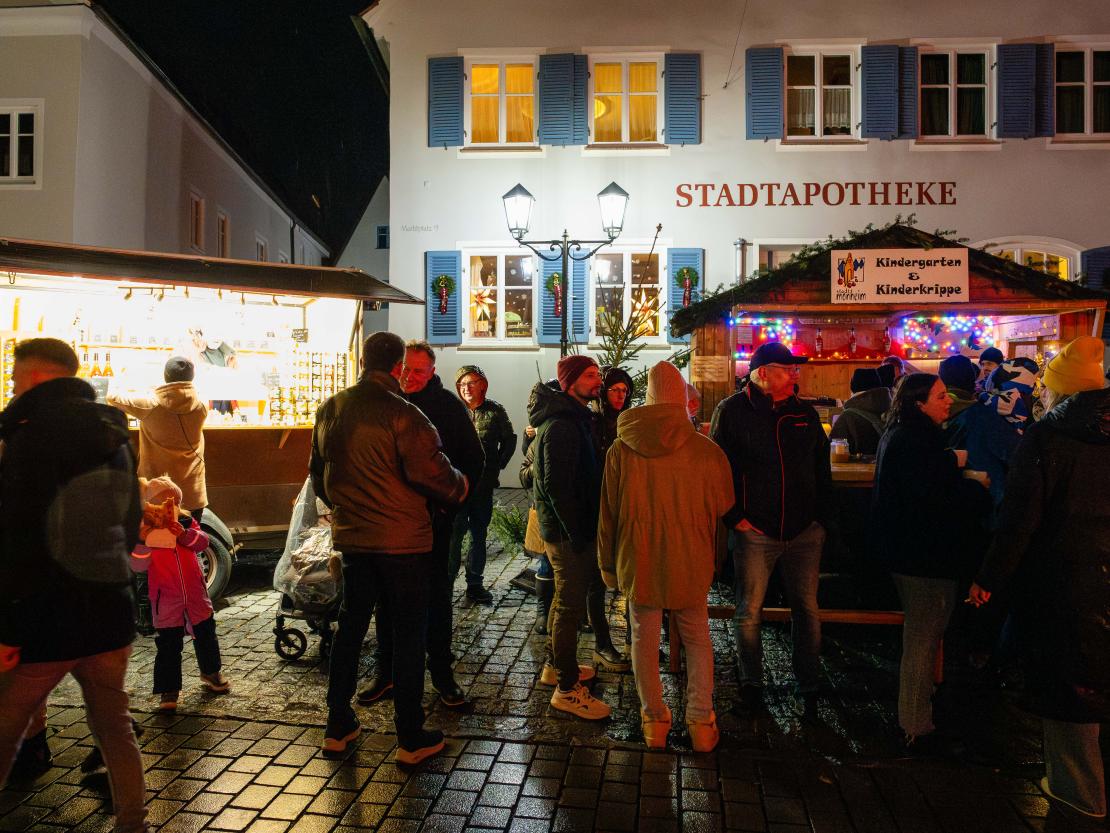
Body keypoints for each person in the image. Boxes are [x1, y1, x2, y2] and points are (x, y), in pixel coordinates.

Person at [0, 338, 148, 832]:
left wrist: (9, 625)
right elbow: (130, 523)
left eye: (17, 377)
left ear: (37, 378)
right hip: (110, 608)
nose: (14, 385)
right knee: (114, 725)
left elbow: (17, 537)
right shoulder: (113, 433)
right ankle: (133, 822)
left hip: (47, 612)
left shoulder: (26, 436)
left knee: (5, 725)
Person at [310, 331, 468, 764]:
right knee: (408, 632)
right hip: (403, 545)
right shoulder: (404, 415)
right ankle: (410, 734)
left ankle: (338, 724)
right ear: (398, 366)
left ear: (363, 359)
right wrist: (461, 485)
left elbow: (318, 474)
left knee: (351, 627)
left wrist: (350, 508)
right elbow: (437, 476)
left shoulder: (331, 409)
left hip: (355, 541)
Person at [969, 336, 1109, 822]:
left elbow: (1019, 520)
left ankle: (1079, 795)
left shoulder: (1047, 439)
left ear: (1061, 391)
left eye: (1046, 387)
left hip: (1062, 582)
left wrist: (989, 578)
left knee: (1069, 681)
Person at [598, 361, 734, 751]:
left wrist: (608, 566)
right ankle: (701, 721)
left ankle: (654, 720)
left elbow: (607, 513)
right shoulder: (707, 451)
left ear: (649, 399)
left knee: (642, 637)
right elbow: (725, 504)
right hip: (691, 556)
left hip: (637, 556)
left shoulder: (622, 448)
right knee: (697, 638)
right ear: (682, 401)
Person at [870, 373, 992, 752]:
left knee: (923, 637)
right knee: (923, 639)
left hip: (905, 551)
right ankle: (916, 725)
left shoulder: (902, 435)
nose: (949, 401)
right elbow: (935, 501)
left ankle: (917, 716)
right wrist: (974, 487)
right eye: (940, 396)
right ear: (919, 403)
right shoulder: (918, 440)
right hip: (923, 557)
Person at [360, 341, 484, 709]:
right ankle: (387, 674)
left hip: (433, 526)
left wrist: (450, 505)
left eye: (418, 370)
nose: (409, 376)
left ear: (432, 372)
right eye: (405, 369)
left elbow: (473, 462)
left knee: (437, 599)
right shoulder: (383, 403)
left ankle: (443, 675)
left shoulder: (447, 407)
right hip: (388, 525)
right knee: (386, 601)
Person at [710, 342, 833, 710]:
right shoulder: (732, 411)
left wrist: (821, 520)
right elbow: (718, 469)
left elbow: (820, 467)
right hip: (756, 531)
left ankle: (809, 685)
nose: (795, 374)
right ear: (762, 374)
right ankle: (752, 685)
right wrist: (735, 519)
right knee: (749, 610)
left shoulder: (804, 414)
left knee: (806, 609)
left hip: (804, 532)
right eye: (787, 368)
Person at [529, 355, 611, 719]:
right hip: (566, 532)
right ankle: (566, 688)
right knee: (568, 605)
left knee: (567, 602)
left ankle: (556, 666)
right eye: (590, 376)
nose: (598, 382)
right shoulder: (562, 425)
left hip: (569, 528)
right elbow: (555, 486)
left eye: (598, 375)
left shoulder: (574, 418)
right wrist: (576, 532)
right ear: (569, 383)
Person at [130, 476, 228, 712]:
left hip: (195, 593)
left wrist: (183, 534)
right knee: (168, 645)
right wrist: (143, 542)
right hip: (166, 598)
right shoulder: (144, 529)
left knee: (206, 634)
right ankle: (168, 689)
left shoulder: (185, 521)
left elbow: (202, 543)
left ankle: (211, 672)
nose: (169, 508)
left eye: (173, 503)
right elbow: (137, 566)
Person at [108, 357, 208, 521]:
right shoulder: (202, 406)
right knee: (189, 542)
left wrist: (122, 373)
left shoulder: (150, 405)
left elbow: (112, 397)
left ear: (165, 376)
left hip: (157, 495)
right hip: (193, 494)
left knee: (155, 542)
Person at [451, 364, 517, 604]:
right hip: (457, 486)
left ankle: (474, 583)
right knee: (454, 534)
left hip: (482, 486)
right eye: (462, 384)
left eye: (471, 383)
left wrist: (497, 466)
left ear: (483, 385)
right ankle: (447, 583)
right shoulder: (453, 410)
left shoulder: (495, 411)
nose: (466, 388)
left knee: (479, 534)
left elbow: (509, 440)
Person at [939, 355, 1021, 508]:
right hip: (985, 495)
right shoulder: (979, 414)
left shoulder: (932, 413)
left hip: (948, 496)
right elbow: (1015, 452)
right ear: (972, 380)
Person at [830, 368, 891, 456]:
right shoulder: (895, 411)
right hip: (888, 468)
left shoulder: (848, 417)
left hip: (857, 469)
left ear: (853, 386)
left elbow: (834, 451)